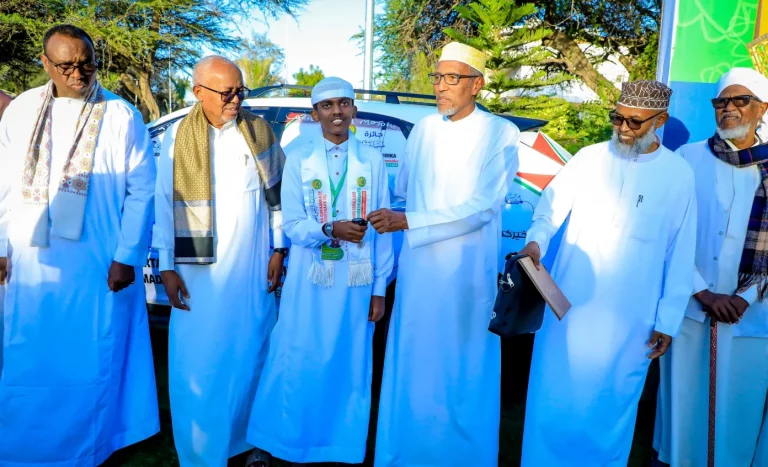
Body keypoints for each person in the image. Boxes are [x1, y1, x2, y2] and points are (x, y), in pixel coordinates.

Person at [0, 24, 159, 466]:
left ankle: (92, 446)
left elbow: (142, 191)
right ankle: (22, 445)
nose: (78, 73)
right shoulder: (21, 110)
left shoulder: (122, 114)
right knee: (29, 350)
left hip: (97, 263)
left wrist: (126, 256)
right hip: (30, 262)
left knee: (92, 355)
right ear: (45, 64)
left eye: (86, 62)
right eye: (66, 64)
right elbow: (3, 183)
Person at [518, 80, 697, 466]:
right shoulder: (589, 158)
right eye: (617, 118)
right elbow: (548, 211)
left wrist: (668, 319)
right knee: (554, 400)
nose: (622, 128)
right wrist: (536, 242)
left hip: (631, 320)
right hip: (569, 308)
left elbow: (680, 253)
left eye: (634, 122)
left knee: (610, 407)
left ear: (660, 120)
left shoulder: (678, 175)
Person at [367, 42, 520, 466]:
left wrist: (409, 221)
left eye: (451, 78)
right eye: (436, 77)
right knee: (414, 360)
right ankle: (405, 453)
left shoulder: (500, 133)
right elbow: (405, 193)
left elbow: (482, 208)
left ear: (477, 84)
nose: (440, 87)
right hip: (418, 275)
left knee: (463, 367)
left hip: (466, 277)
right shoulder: (424, 130)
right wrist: (397, 217)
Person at [245, 77, 394, 465]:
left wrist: (379, 288)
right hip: (310, 280)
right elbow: (292, 222)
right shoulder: (298, 157)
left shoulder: (373, 160)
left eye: (344, 104)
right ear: (315, 114)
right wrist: (329, 229)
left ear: (354, 110)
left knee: (349, 361)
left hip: (356, 284)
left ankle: (340, 446)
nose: (337, 112)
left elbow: (384, 231)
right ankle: (280, 442)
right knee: (295, 355)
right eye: (327, 106)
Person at [152, 55, 286, 467]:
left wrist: (279, 249)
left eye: (239, 91)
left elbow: (279, 201)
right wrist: (168, 267)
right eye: (226, 93)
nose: (235, 100)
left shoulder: (259, 132)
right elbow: (162, 205)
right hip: (198, 278)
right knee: (201, 361)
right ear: (199, 92)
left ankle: (250, 445)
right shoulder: (177, 139)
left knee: (251, 355)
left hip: (250, 274)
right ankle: (199, 452)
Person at [653, 67, 768, 467]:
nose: (729, 109)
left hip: (751, 313)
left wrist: (744, 296)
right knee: (683, 408)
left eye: (741, 101)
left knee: (740, 408)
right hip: (692, 305)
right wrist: (704, 292)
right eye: (722, 102)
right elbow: (669, 234)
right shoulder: (686, 159)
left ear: (762, 108)